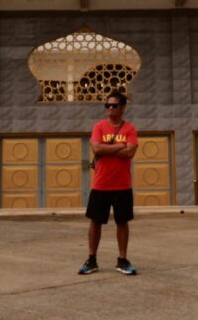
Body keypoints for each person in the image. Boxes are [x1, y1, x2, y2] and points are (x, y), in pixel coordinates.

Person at [79, 89, 139, 276]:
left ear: (122, 108)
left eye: (114, 105)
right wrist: (119, 146)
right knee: (95, 222)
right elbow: (96, 147)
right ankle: (92, 259)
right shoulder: (99, 127)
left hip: (122, 185)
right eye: (107, 105)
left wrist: (107, 149)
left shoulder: (130, 128)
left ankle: (122, 260)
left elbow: (130, 152)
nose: (109, 108)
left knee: (122, 222)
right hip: (101, 184)